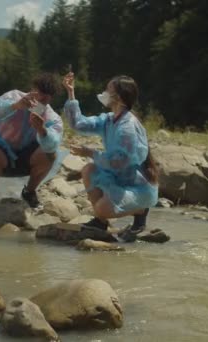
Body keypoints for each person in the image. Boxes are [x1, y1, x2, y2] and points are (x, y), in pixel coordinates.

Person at [62, 72, 159, 242]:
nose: (104, 93)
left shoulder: (127, 127)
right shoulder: (108, 119)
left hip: (136, 186)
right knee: (89, 170)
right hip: (118, 179)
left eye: (108, 90)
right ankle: (100, 222)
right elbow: (78, 124)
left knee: (102, 208)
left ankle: (140, 210)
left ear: (120, 97)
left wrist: (90, 152)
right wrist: (71, 93)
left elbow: (120, 163)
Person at [0, 73, 64, 208]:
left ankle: (29, 192)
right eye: (39, 93)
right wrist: (14, 106)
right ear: (32, 89)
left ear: (51, 98)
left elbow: (53, 144)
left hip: (26, 162)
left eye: (45, 98)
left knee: (50, 154)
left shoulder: (52, 118)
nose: (41, 99)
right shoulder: (13, 96)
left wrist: (42, 130)